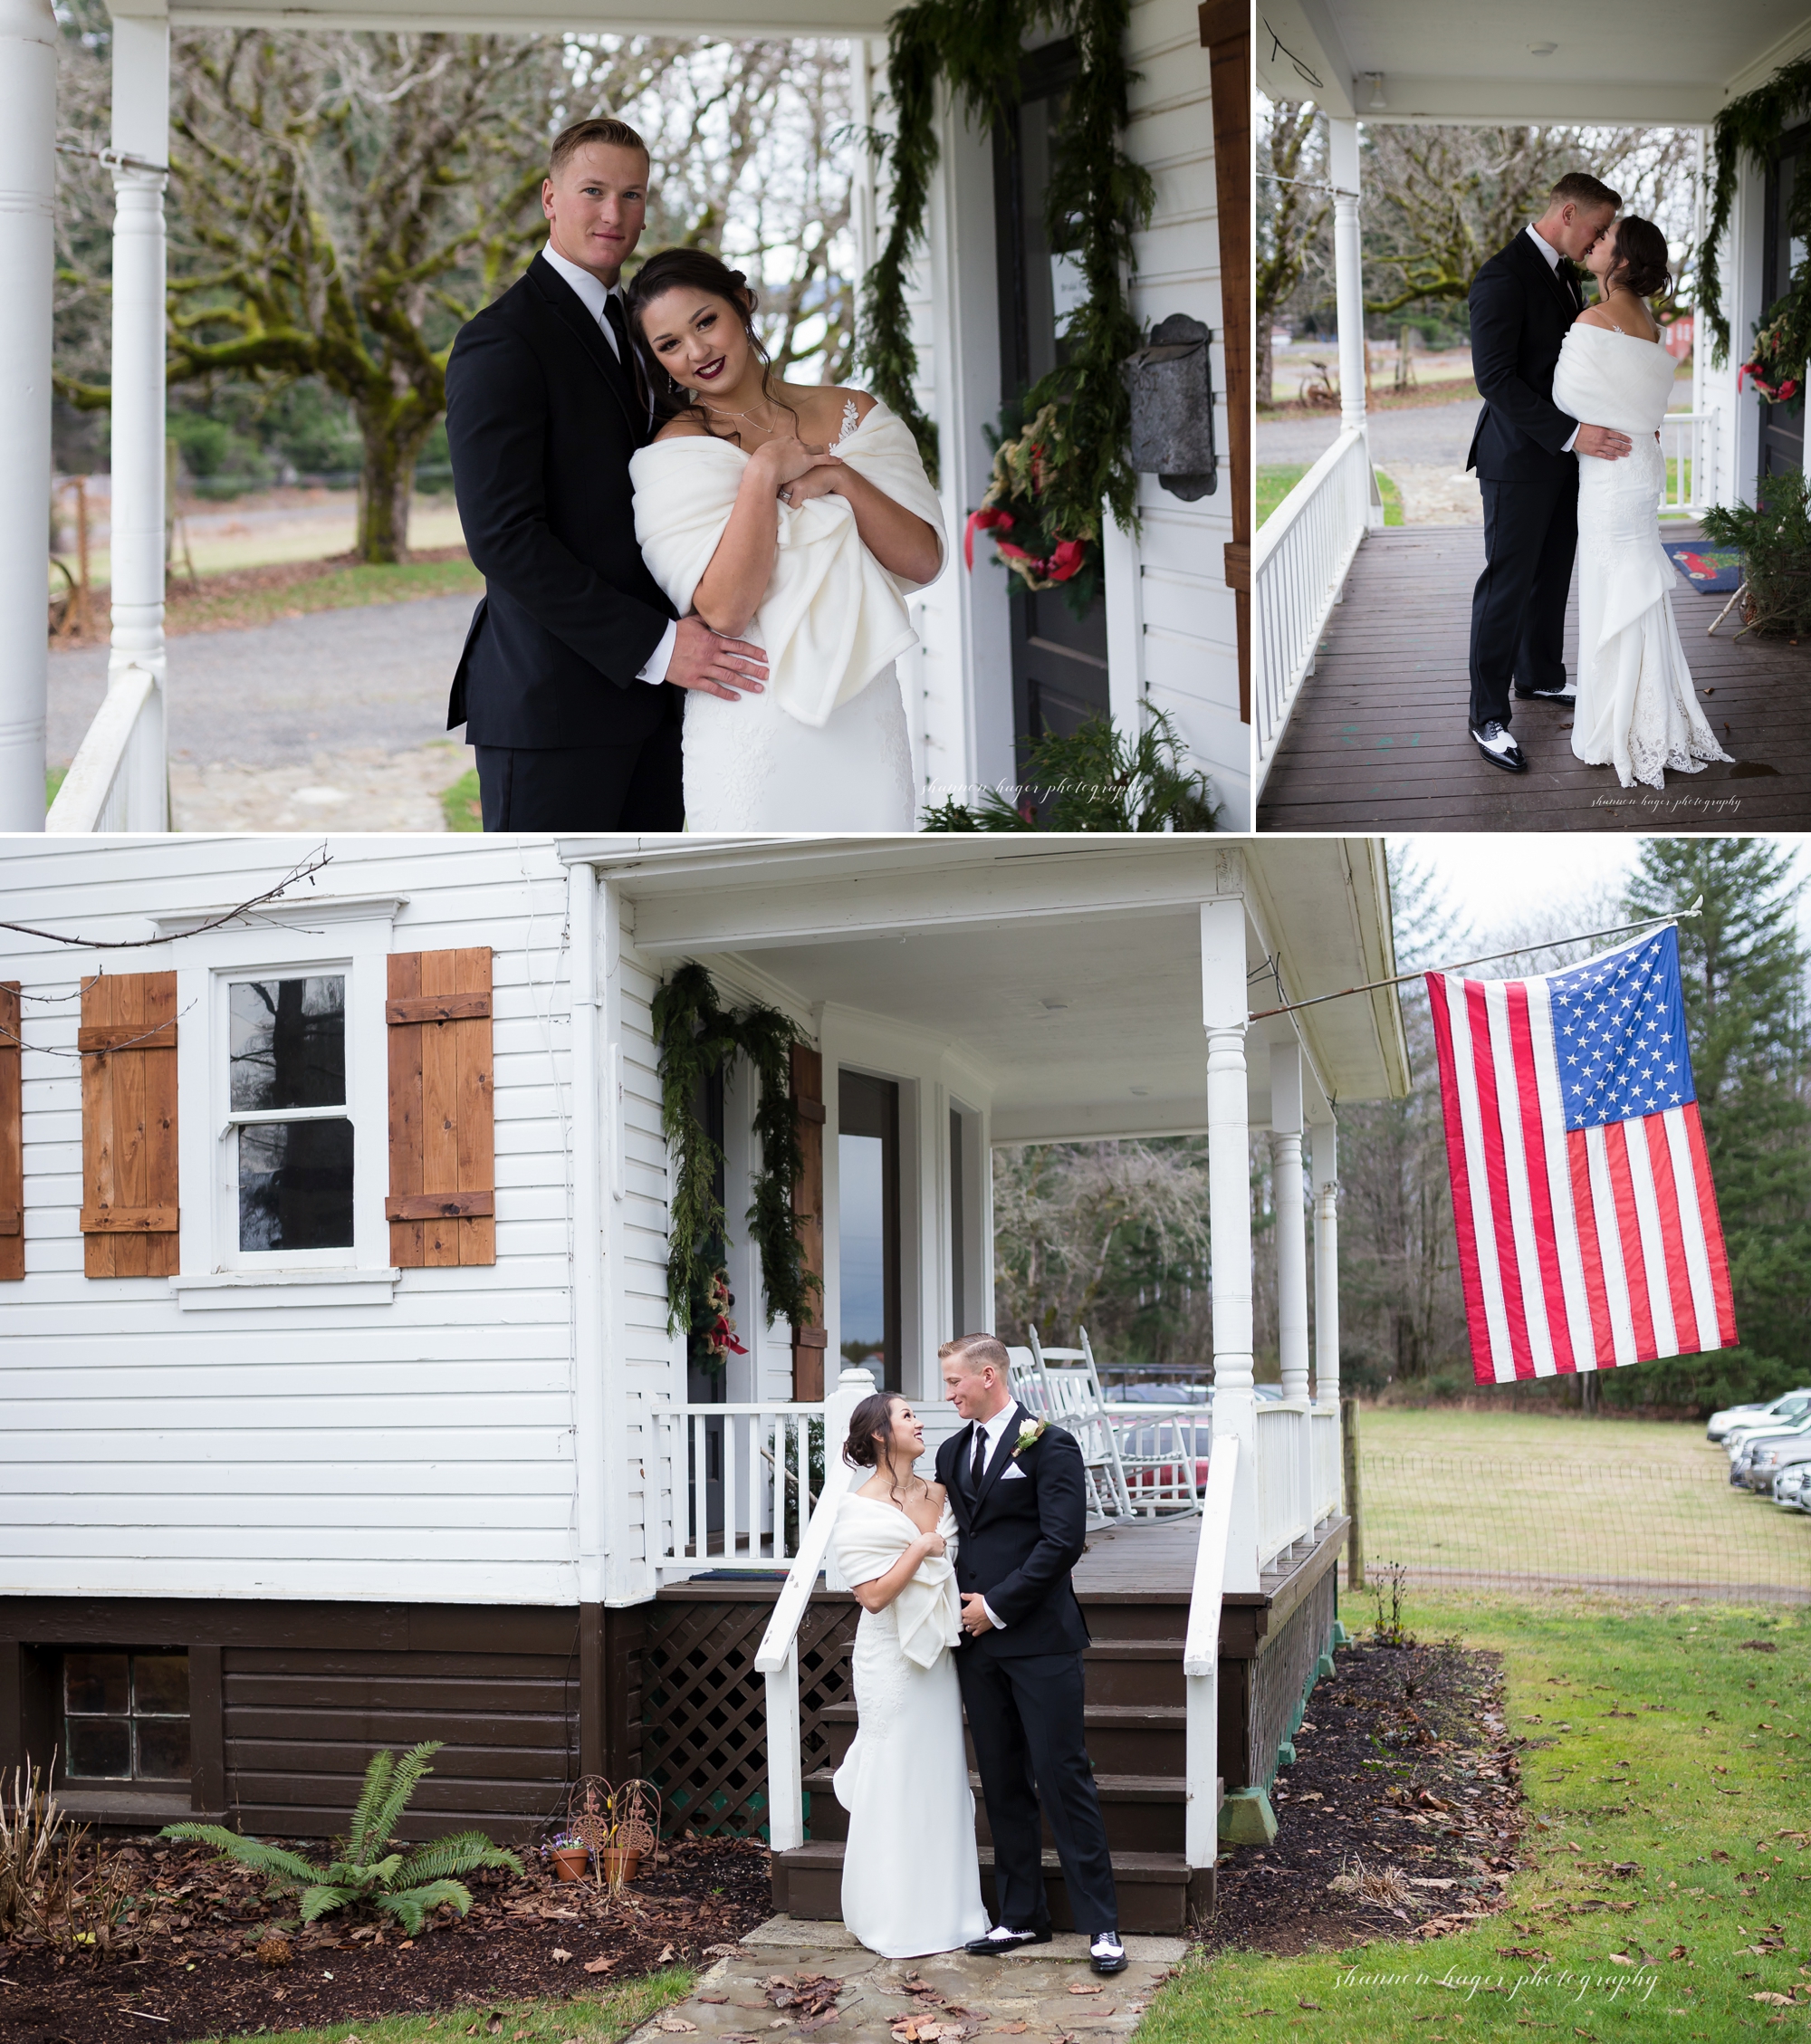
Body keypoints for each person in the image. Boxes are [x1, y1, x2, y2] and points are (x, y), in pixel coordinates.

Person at [443, 119, 769, 830]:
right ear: (550, 197)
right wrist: (656, 647)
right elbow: (504, 539)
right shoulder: (500, 341)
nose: (613, 213)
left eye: (632, 194)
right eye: (593, 190)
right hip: (556, 709)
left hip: (667, 709)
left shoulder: (646, 328)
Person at [624, 248, 946, 831]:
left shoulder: (856, 414)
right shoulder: (672, 456)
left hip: (865, 716)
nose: (697, 352)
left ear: (742, 306)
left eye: (705, 322)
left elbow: (923, 560)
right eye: (669, 344)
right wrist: (763, 472)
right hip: (750, 723)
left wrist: (842, 478)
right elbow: (724, 610)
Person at [933, 1334, 1126, 1979]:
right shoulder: (951, 1451)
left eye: (955, 1381)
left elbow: (1061, 1541)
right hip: (977, 1646)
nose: (949, 1393)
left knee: (1062, 1774)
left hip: (1039, 1639)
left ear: (989, 1375)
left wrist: (998, 1605)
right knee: (1002, 1778)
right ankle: (1020, 1914)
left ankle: (1101, 1924)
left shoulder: (1050, 1444)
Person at [1553, 216, 1731, 788]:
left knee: (1611, 589)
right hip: (1638, 468)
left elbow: (1564, 394)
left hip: (1608, 474)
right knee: (1631, 588)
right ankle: (1644, 709)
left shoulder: (1593, 320)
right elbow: (1640, 403)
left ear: (1622, 263)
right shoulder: (1648, 325)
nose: (1596, 243)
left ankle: (1619, 723)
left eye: (1606, 240)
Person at [1464, 172, 1633, 775]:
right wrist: (1571, 433)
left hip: (1565, 461)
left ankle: (1538, 677)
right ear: (1568, 213)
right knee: (1506, 585)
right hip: (1515, 461)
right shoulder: (1501, 276)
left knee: (1551, 576)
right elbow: (1496, 379)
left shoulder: (1564, 275)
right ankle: (1487, 714)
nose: (1600, 241)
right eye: (1597, 228)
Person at [829, 1391, 990, 1958]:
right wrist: (920, 1548)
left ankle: (951, 1912)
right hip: (891, 1661)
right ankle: (893, 1915)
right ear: (878, 1433)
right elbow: (872, 1597)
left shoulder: (941, 1492)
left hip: (940, 1654)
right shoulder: (859, 1507)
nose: (920, 1422)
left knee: (939, 1776)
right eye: (907, 1415)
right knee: (895, 1775)